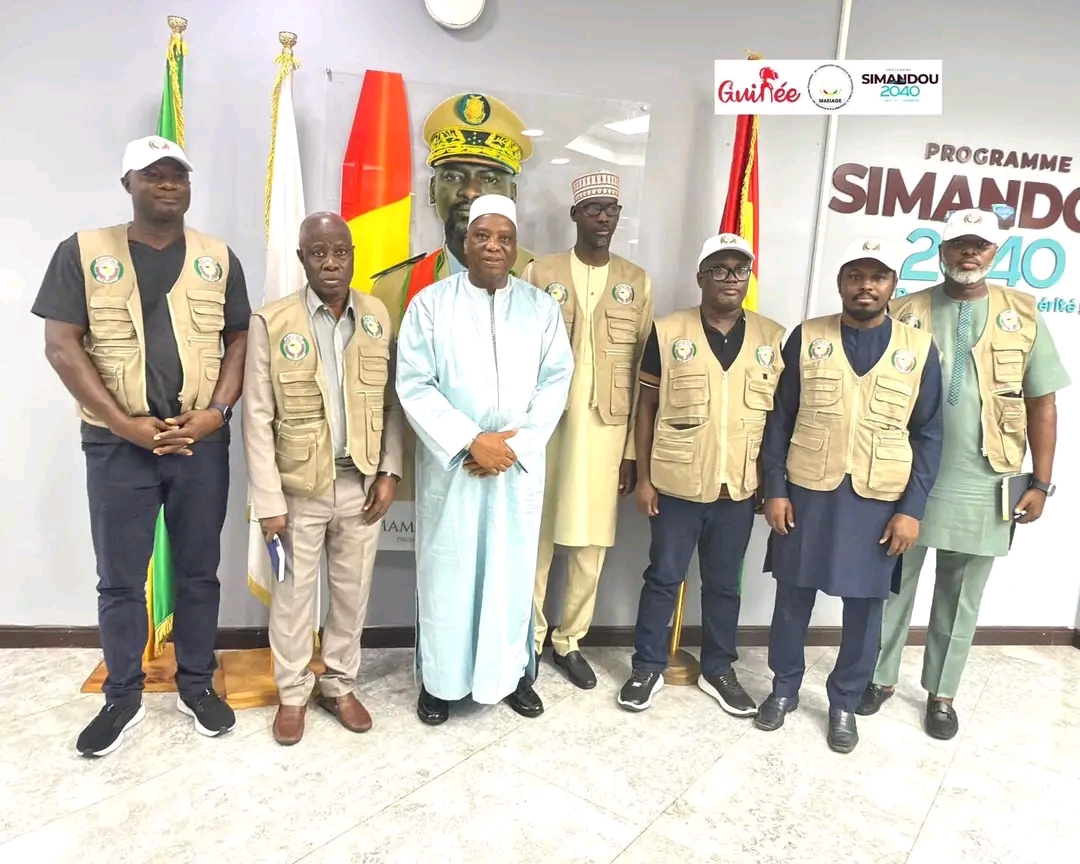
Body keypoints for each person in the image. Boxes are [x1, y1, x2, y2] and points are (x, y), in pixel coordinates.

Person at [32, 136, 250, 756]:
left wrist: (215, 413)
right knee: (121, 578)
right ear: (127, 183)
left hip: (199, 444)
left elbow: (239, 339)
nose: (167, 183)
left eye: (177, 173)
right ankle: (122, 697)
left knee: (198, 572)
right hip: (116, 446)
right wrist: (121, 423)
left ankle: (196, 685)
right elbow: (61, 346)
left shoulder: (217, 257)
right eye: (151, 173)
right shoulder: (82, 252)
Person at [858, 209, 1071, 739]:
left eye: (979, 245)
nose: (968, 253)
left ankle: (942, 693)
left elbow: (1042, 403)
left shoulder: (1023, 314)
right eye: (959, 244)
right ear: (942, 251)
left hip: (985, 478)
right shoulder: (904, 311)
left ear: (995, 252)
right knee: (891, 582)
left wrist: (1041, 482)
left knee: (962, 594)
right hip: (907, 474)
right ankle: (879, 678)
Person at [756, 238, 943, 753]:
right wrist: (775, 489)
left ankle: (844, 702)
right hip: (807, 492)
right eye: (855, 276)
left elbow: (929, 434)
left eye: (877, 277)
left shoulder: (918, 347)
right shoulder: (807, 336)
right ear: (840, 283)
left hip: (879, 500)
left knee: (865, 607)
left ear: (892, 285)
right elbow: (780, 418)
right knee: (792, 598)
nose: (866, 286)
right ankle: (783, 689)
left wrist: (912, 510)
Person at [395, 194, 573, 726]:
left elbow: (555, 383)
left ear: (516, 248)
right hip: (454, 470)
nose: (493, 247)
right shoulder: (430, 305)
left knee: (510, 578)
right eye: (482, 236)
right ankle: (439, 682)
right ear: (465, 242)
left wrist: (511, 447)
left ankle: (511, 675)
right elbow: (414, 383)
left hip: (514, 471)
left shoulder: (541, 310)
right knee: (447, 576)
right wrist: (470, 440)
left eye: (504, 238)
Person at [243, 212, 404, 745]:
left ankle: (338, 685)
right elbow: (257, 417)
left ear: (352, 255)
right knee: (293, 597)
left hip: (361, 484)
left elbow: (391, 403)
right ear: (302, 259)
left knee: (352, 592)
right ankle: (292, 694)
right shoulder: (272, 322)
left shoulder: (376, 315)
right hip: (298, 489)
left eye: (340, 251)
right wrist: (269, 500)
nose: (330, 262)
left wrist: (390, 470)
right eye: (318, 253)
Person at [618, 233, 785, 715]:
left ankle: (719, 669)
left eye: (739, 270)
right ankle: (647, 667)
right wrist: (644, 478)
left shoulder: (772, 337)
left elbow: (777, 420)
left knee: (725, 586)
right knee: (663, 578)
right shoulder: (668, 331)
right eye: (719, 269)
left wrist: (770, 483)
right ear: (700, 277)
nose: (730, 279)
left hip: (739, 488)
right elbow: (646, 406)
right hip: (676, 485)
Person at [521, 172, 653, 689]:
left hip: (606, 430)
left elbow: (643, 371)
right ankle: (528, 640)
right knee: (536, 537)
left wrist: (631, 453)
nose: (603, 217)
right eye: (593, 208)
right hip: (544, 428)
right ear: (575, 215)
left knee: (590, 543)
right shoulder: (540, 272)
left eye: (611, 209)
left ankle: (569, 640)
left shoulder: (636, 280)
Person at [371, 92, 536, 502]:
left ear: (513, 194)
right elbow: (389, 395)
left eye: (491, 179)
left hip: (512, 473)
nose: (470, 191)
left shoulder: (541, 284)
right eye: (454, 176)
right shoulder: (394, 289)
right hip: (427, 474)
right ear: (432, 189)